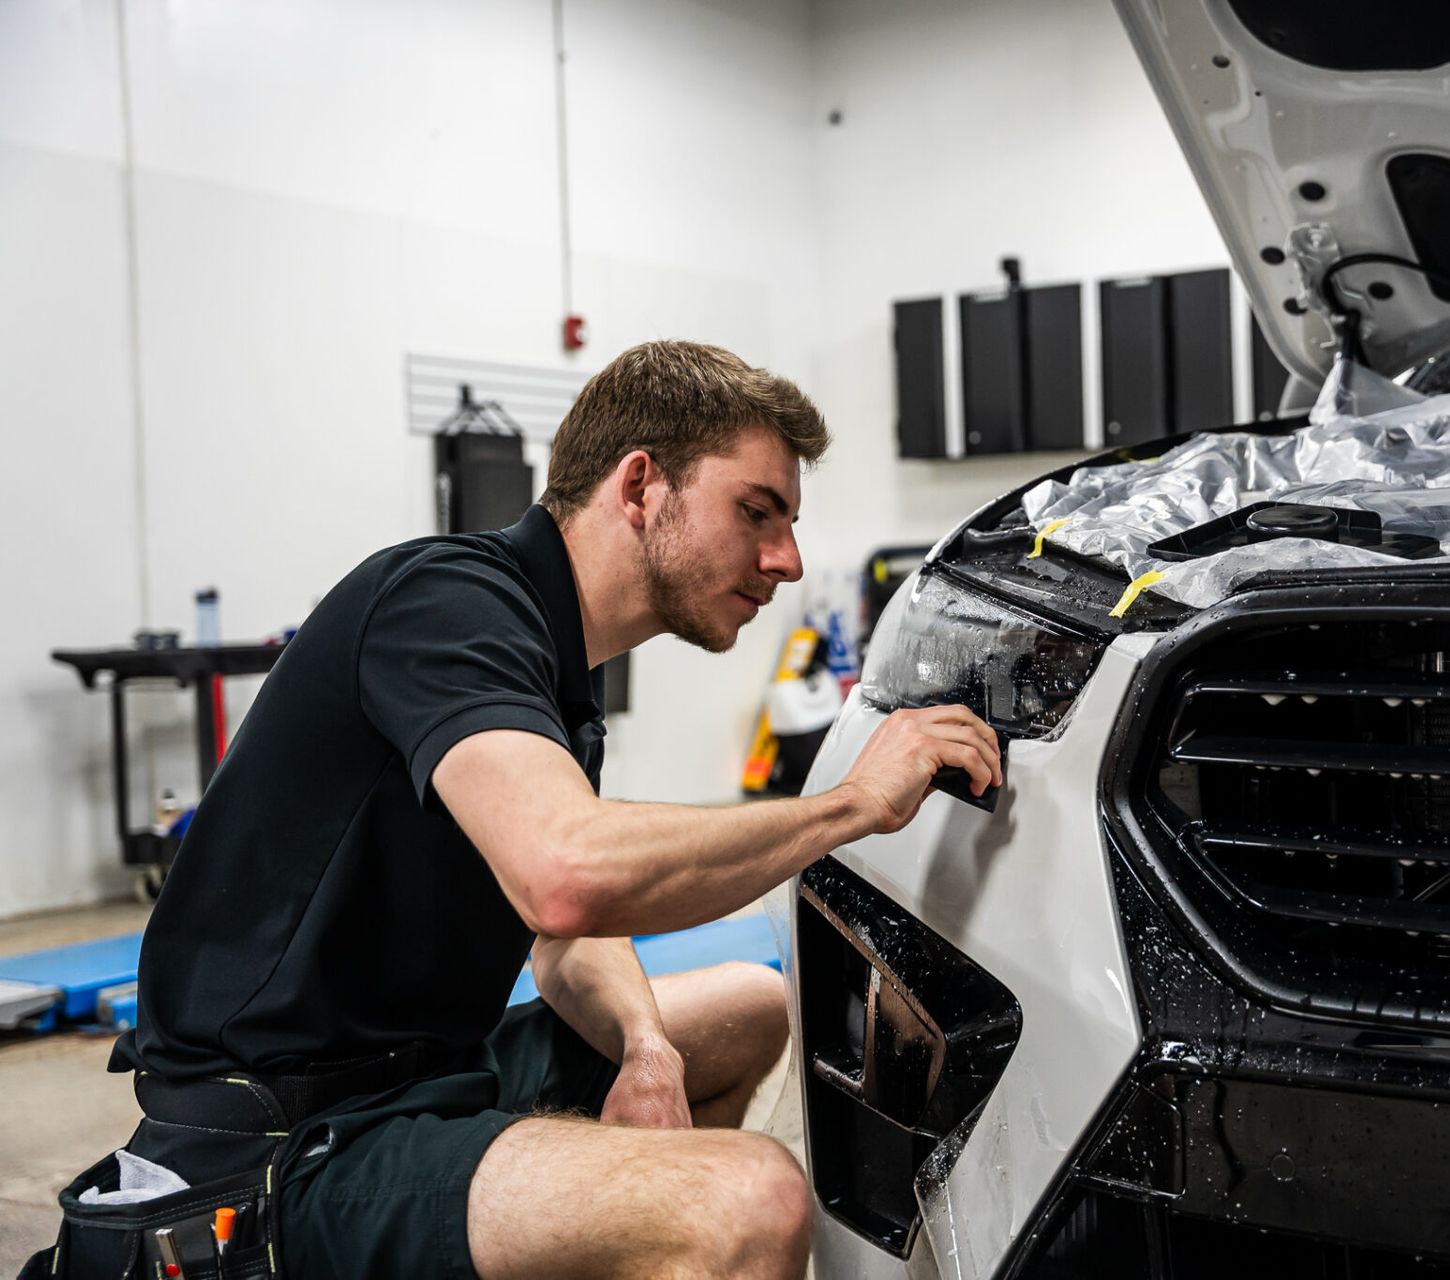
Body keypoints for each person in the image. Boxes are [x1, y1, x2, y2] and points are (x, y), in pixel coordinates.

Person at [54, 341, 1002, 1280]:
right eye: (756, 511)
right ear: (640, 488)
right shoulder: (446, 603)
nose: (787, 560)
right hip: (285, 1141)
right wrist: (848, 805)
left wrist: (645, 1049)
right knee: (749, 1197)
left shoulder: (555, 671)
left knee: (746, 1007)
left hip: (427, 1077)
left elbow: (562, 937)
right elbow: (568, 876)